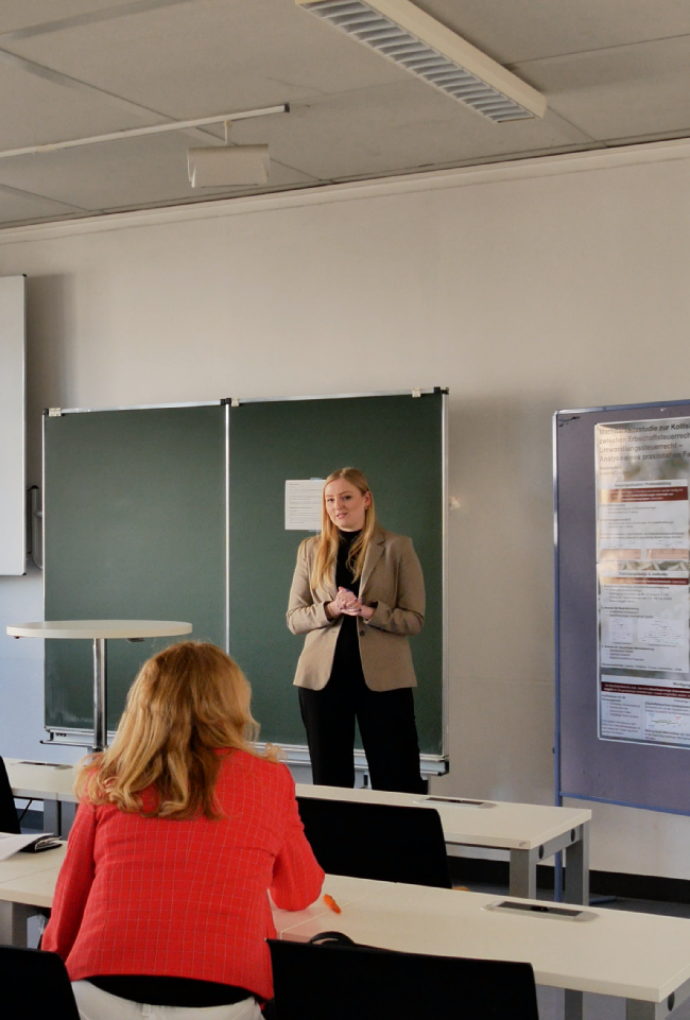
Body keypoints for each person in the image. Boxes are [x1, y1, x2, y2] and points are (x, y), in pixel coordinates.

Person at [42, 641, 324, 1020]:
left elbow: (69, 904)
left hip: (98, 990)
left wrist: (46, 985)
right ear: (234, 703)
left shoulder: (107, 777)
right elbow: (297, 892)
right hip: (221, 998)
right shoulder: (269, 779)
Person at [287, 467, 426, 794]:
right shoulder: (310, 549)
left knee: (397, 777)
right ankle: (335, 846)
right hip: (322, 681)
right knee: (330, 780)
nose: (338, 506)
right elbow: (294, 619)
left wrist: (368, 611)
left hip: (384, 680)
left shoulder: (397, 547)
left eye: (346, 497)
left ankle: (393, 845)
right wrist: (332, 609)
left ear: (366, 499)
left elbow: (414, 620)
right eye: (330, 499)